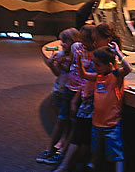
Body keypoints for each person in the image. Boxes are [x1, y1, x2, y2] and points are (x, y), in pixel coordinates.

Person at [37, 25, 95, 166]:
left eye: (85, 39)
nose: (82, 42)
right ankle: (50, 148)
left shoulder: (94, 54)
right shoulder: (76, 47)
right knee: (62, 120)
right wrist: (58, 63)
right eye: (81, 38)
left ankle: (62, 152)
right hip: (68, 89)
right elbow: (68, 69)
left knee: (73, 124)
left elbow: (87, 76)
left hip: (79, 93)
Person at [76, 42, 132, 172]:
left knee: (116, 153)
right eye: (94, 63)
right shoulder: (98, 77)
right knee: (95, 150)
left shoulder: (115, 76)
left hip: (112, 125)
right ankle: (93, 165)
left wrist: (118, 52)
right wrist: (78, 59)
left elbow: (128, 69)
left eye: (97, 64)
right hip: (97, 123)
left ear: (109, 65)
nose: (94, 67)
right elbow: (83, 75)